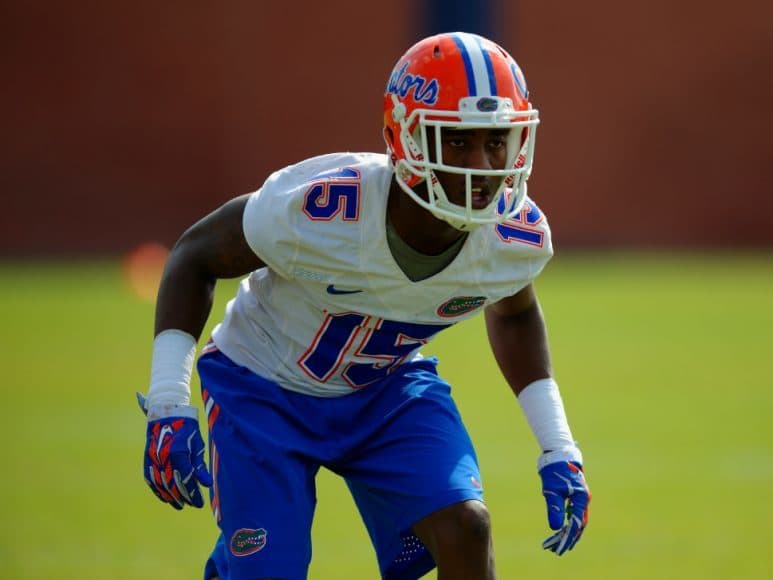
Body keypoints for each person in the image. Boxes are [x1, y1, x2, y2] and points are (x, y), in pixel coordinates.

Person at [138, 31, 590, 580]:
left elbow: (515, 312)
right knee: (268, 571)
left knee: (466, 527)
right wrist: (168, 401)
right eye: (459, 142)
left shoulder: (513, 235)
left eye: (497, 142)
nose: (484, 166)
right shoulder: (322, 206)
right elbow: (193, 256)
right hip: (262, 387)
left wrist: (557, 445)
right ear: (409, 140)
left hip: (384, 387)